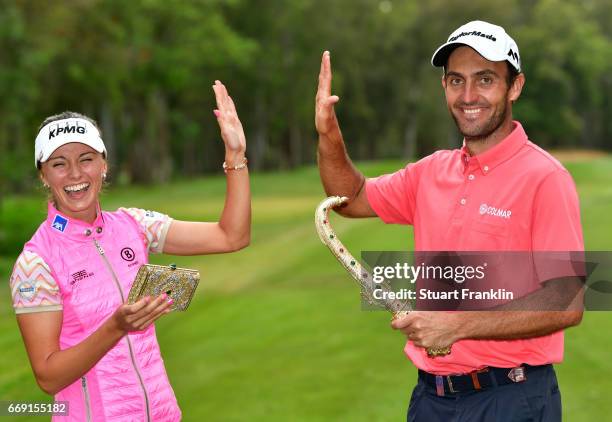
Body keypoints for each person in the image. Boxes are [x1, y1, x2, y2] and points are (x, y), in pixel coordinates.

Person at [315, 20, 583, 421]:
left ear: (515, 87)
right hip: (430, 399)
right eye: (456, 80)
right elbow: (350, 199)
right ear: (444, 87)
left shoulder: (546, 178)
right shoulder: (429, 172)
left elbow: (568, 300)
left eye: (485, 79)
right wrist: (328, 134)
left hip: (511, 399)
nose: (469, 95)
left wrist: (457, 325)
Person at [9, 80, 250, 421]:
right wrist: (116, 326)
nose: (75, 173)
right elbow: (48, 377)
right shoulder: (35, 262)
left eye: (86, 159)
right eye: (59, 164)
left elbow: (231, 236)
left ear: (104, 164)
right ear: (44, 175)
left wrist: (235, 155)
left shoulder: (134, 224)